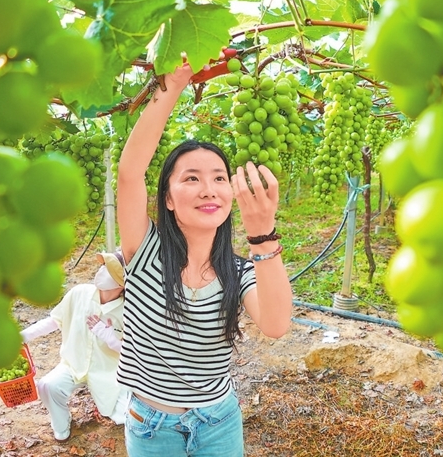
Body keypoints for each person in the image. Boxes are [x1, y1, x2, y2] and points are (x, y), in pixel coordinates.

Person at [115, 59, 293, 456]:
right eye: (191, 178)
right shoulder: (145, 254)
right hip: (152, 425)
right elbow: (130, 173)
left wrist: (263, 234)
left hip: (219, 421)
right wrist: (173, 85)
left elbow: (277, 324)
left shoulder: (240, 271)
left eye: (217, 178)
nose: (208, 189)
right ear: (168, 199)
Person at [20, 251, 127, 442]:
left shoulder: (128, 310)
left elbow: (135, 352)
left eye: (107, 269)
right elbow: (55, 321)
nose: (100, 271)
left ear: (121, 283)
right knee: (47, 386)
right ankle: (61, 423)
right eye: (102, 266)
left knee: (127, 416)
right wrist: (24, 335)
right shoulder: (80, 293)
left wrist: (111, 339)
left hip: (109, 373)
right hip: (73, 364)